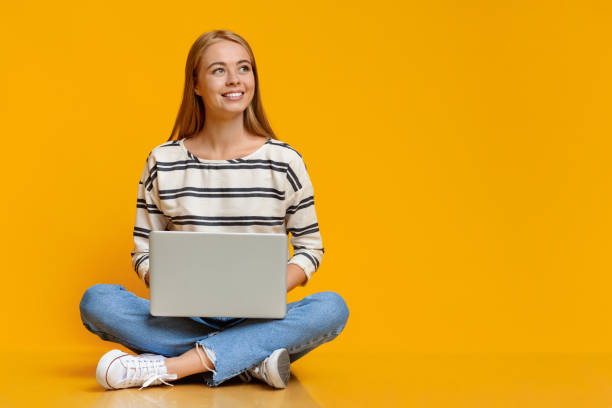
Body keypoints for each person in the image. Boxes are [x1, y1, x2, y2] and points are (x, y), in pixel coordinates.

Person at [79, 29, 349, 391]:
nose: (235, 79)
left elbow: (310, 249)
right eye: (219, 70)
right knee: (97, 301)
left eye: (244, 68)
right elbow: (143, 252)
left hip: (260, 315)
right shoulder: (163, 161)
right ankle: (251, 362)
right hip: (185, 316)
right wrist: (166, 283)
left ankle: (175, 367)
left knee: (331, 308)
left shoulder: (284, 161)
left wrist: (268, 289)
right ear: (196, 84)